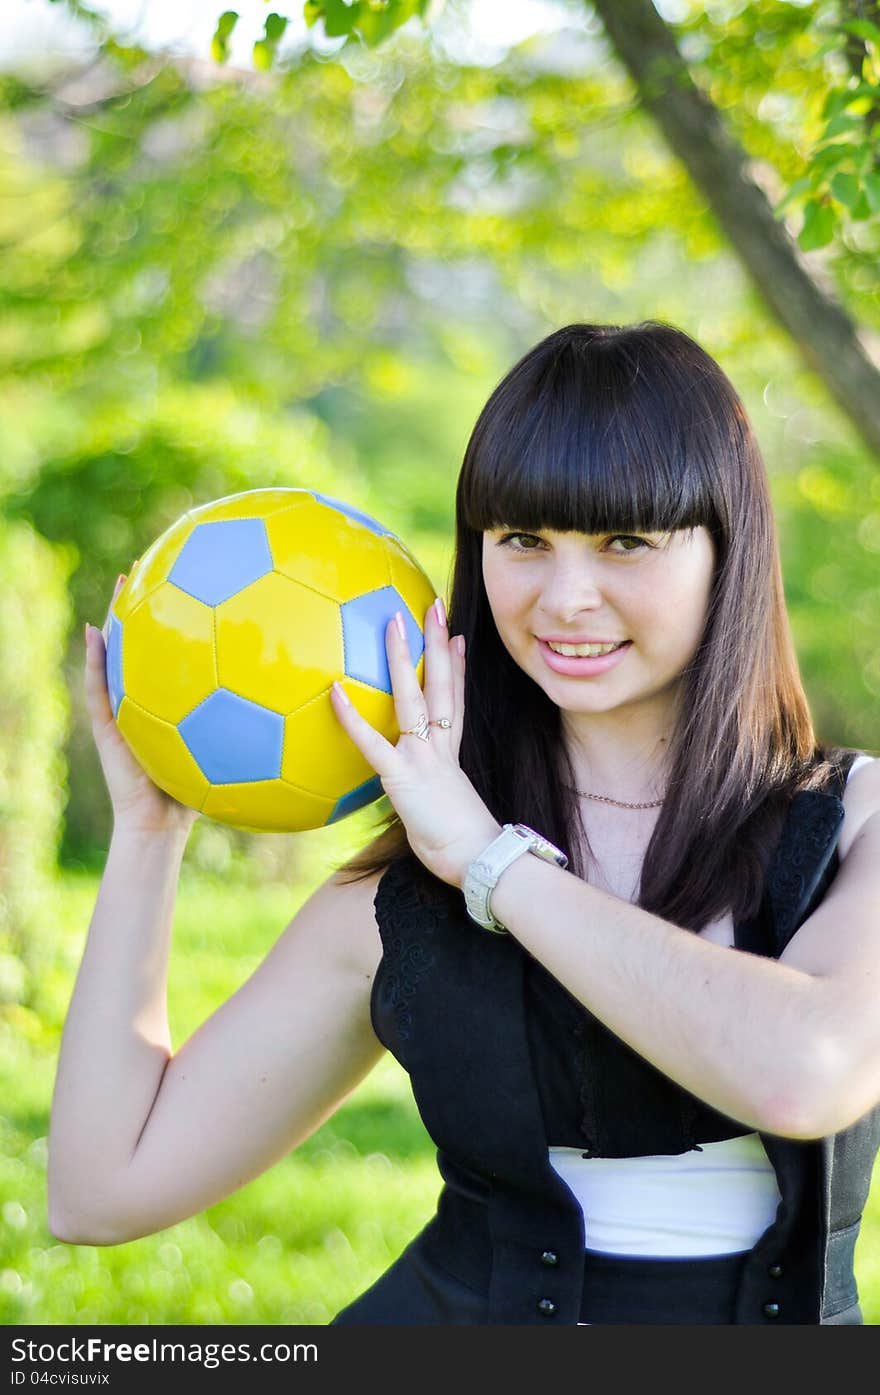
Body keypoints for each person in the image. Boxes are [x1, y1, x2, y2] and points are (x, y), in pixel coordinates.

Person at [50, 320, 880, 1326]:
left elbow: (805, 1077)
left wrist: (493, 864)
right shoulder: (399, 894)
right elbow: (100, 1193)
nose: (566, 598)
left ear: (726, 553)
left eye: (625, 540)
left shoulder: (852, 822)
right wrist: (147, 839)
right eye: (523, 539)